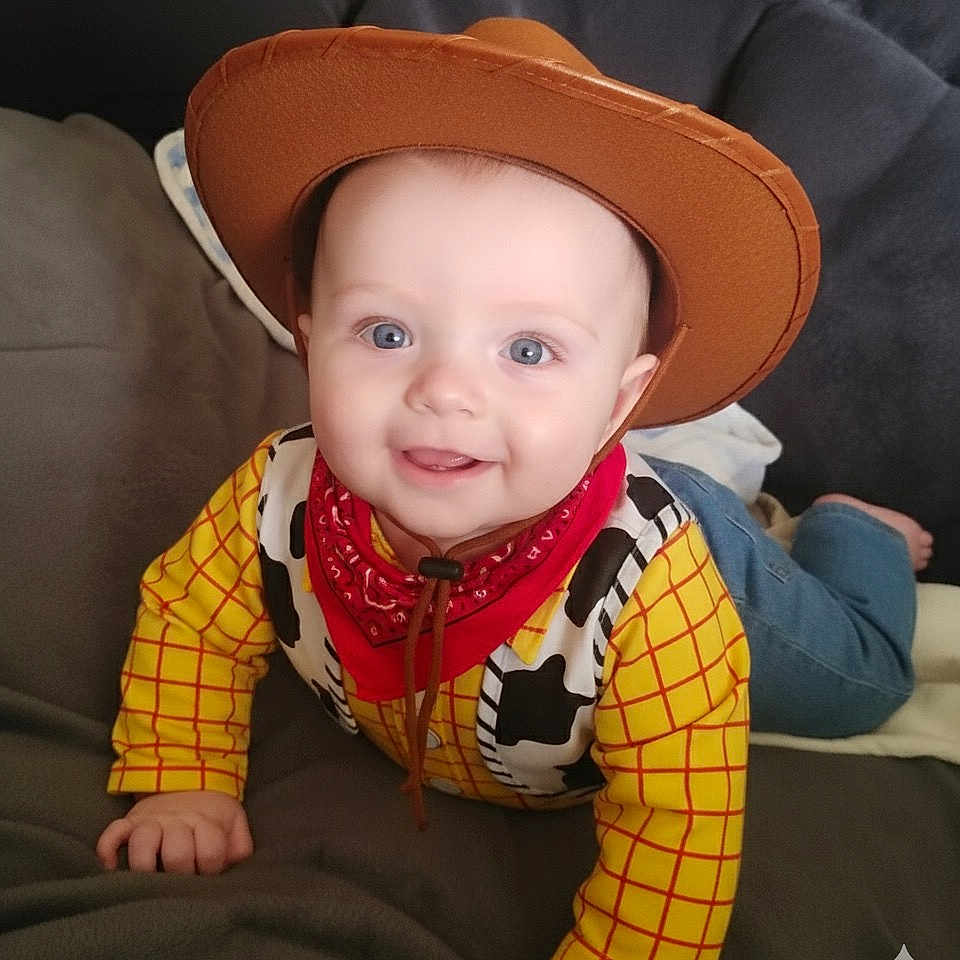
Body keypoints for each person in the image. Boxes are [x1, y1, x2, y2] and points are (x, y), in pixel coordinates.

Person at [96, 18, 828, 959]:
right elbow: (189, 620)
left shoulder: (659, 599)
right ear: (310, 341)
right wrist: (183, 775)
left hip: (723, 565)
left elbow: (682, 819)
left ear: (621, 401)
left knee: (860, 680)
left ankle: (860, 536)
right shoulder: (274, 498)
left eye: (527, 349)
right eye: (388, 334)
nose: (444, 392)